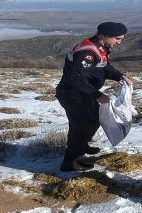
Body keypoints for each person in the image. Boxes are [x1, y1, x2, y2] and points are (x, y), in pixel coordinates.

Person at [55, 22, 133, 172]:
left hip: (85, 93)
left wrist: (120, 76)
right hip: (73, 95)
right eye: (117, 38)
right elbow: (75, 79)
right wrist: (96, 95)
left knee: (95, 119)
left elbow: (104, 67)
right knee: (81, 128)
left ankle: (82, 146)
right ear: (103, 36)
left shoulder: (100, 48)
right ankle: (70, 162)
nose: (120, 41)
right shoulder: (87, 53)